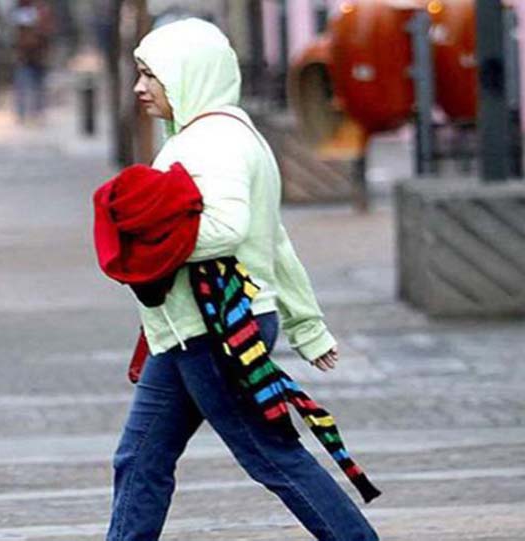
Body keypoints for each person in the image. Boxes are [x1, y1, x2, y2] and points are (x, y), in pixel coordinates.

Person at [103, 19, 379, 540]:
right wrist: (307, 325)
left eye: (150, 75)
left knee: (272, 458)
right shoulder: (221, 134)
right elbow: (274, 242)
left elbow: (225, 231)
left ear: (188, 74)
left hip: (218, 331)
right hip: (195, 330)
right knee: (139, 459)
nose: (140, 87)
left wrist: (140, 239)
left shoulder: (211, 143)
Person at [11, 0, 52, 124]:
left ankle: (37, 112)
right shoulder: (19, 11)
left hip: (38, 57)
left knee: (38, 87)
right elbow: (16, 35)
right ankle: (22, 113)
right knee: (23, 86)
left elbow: (47, 33)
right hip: (24, 57)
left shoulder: (42, 12)